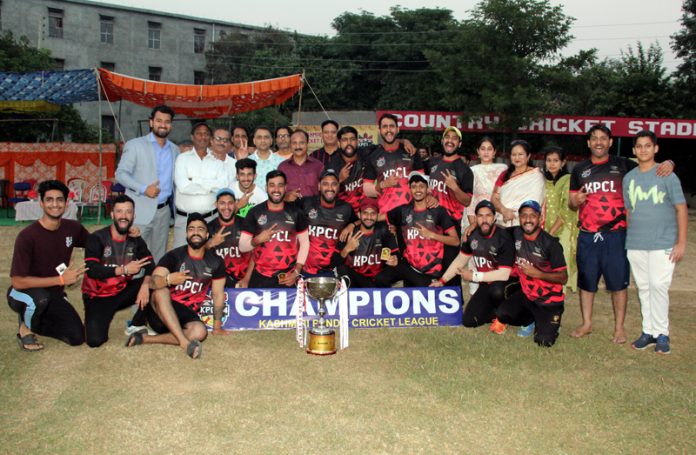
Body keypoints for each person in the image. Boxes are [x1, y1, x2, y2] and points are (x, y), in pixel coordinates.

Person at [569, 125, 674, 343]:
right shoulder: (579, 170)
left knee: (618, 283)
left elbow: (650, 166)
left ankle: (619, 328)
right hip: (588, 234)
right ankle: (587, 323)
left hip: (616, 235)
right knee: (587, 283)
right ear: (588, 143)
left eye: (603, 138)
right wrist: (574, 201)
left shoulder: (624, 164)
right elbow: (572, 202)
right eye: (594, 138)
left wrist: (669, 163)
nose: (599, 142)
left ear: (610, 142)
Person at [126, 213, 228, 359]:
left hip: (186, 316)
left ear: (207, 235)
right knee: (161, 292)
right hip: (160, 314)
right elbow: (153, 281)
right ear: (186, 233)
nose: (196, 232)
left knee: (200, 332)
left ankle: (146, 339)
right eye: (191, 229)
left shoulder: (216, 261)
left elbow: (218, 294)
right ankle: (184, 344)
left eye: (200, 229)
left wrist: (217, 326)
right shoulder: (174, 256)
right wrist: (168, 279)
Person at [624, 130, 687, 354]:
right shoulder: (629, 178)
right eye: (639, 146)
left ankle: (662, 334)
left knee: (659, 286)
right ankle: (648, 332)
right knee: (644, 287)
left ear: (656, 148)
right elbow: (629, 211)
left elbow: (681, 209)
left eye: (647, 145)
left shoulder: (666, 174)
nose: (643, 149)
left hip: (663, 242)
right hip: (636, 243)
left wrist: (681, 242)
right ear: (633, 151)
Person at [8, 180, 89, 350]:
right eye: (49, 200)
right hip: (23, 292)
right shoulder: (27, 236)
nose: (55, 204)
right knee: (40, 299)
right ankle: (25, 328)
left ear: (66, 203)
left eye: (60, 200)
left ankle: (38, 319)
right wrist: (60, 280)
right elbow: (17, 281)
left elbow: (97, 243)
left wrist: (125, 232)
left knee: (77, 337)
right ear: (41, 203)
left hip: (54, 293)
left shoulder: (72, 228)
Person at [431, 200, 517, 332]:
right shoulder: (472, 235)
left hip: (507, 283)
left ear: (494, 218)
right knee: (469, 321)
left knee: (497, 291)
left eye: (488, 216)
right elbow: (460, 260)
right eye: (480, 216)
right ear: (476, 218)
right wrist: (442, 281)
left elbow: (504, 274)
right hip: (486, 283)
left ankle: (503, 316)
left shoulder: (503, 238)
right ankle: (495, 312)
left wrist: (475, 276)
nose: (484, 220)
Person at [81, 195, 154, 347]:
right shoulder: (97, 238)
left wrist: (145, 286)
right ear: (112, 214)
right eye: (119, 211)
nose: (124, 216)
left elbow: (150, 264)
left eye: (128, 212)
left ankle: (137, 323)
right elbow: (92, 270)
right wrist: (124, 269)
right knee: (95, 341)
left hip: (121, 292)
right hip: (97, 297)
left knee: (156, 282)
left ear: (134, 215)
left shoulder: (135, 239)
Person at [495, 201, 568, 347]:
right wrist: (473, 227)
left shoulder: (550, 244)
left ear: (540, 218)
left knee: (543, 341)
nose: (528, 220)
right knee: (503, 313)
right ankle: (530, 320)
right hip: (528, 295)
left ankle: (551, 322)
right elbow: (495, 230)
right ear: (519, 218)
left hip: (549, 300)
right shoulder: (516, 233)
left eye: (532, 216)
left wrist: (537, 273)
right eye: (524, 216)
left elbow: (563, 277)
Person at [115, 104, 179, 262]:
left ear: (171, 125)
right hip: (139, 210)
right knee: (133, 257)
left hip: (163, 213)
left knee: (158, 258)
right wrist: (143, 189)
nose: (163, 124)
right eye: (159, 120)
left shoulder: (175, 150)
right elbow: (120, 174)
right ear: (151, 122)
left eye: (167, 121)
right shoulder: (135, 145)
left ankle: (152, 287)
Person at [239, 170, 310, 288]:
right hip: (260, 276)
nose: (276, 190)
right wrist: (257, 240)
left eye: (280, 185)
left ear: (286, 187)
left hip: (288, 277)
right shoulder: (255, 212)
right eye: (272, 185)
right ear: (266, 188)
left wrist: (296, 272)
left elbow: (305, 243)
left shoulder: (296, 212)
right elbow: (242, 247)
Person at [387, 172, 459, 287]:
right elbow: (383, 218)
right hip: (410, 270)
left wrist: (432, 235)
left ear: (428, 189)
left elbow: (455, 241)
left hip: (432, 271)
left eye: (421, 186)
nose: (418, 190)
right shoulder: (402, 211)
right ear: (409, 189)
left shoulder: (438, 211)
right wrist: (394, 228)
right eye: (414, 187)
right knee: (381, 278)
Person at [172, 122, 227, 248]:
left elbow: (222, 186)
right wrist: (210, 186)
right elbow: (183, 186)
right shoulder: (182, 159)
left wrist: (195, 180)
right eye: (199, 134)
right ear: (192, 137)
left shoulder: (217, 162)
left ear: (210, 138)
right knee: (181, 258)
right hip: (185, 220)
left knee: (210, 257)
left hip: (211, 219)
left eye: (206, 134)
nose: (203, 137)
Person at [364, 113, 425, 215]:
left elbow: (422, 182)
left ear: (398, 129)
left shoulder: (411, 151)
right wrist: (384, 184)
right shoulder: (373, 156)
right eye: (385, 127)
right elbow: (366, 189)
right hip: (386, 214)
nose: (388, 130)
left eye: (391, 126)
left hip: (411, 214)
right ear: (379, 131)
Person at [300, 169, 355, 278]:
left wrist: (351, 225)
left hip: (331, 269)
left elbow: (359, 220)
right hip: (304, 268)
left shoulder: (346, 208)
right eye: (325, 184)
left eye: (334, 184)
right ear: (319, 186)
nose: (330, 188)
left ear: (338, 187)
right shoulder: (306, 203)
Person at [542, 146, 578, 293]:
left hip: (564, 230)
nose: (552, 164)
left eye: (555, 160)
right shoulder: (544, 181)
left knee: (560, 266)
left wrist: (552, 232)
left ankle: (558, 299)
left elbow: (566, 209)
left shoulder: (567, 180)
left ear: (563, 163)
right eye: (549, 160)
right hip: (545, 228)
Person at [427, 126, 474, 229]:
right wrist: (427, 195)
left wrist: (455, 188)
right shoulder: (432, 162)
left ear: (459, 144)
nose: (450, 140)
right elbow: (422, 184)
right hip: (430, 221)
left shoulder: (465, 170)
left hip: (451, 224)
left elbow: (467, 202)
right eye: (447, 137)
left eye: (454, 138)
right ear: (442, 140)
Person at [491, 139, 545, 227]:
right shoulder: (505, 175)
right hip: (503, 222)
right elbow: (494, 198)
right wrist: (504, 210)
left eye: (520, 154)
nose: (517, 158)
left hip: (527, 223)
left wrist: (517, 214)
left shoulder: (536, 176)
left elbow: (536, 201)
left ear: (528, 156)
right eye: (514, 155)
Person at [207, 188, 254, 288]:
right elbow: (197, 253)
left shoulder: (246, 224)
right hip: (218, 282)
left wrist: (247, 279)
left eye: (230, 203)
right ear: (216, 204)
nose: (226, 207)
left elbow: (256, 253)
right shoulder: (209, 227)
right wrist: (211, 243)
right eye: (222, 203)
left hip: (243, 280)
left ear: (235, 204)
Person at [463, 137, 507, 236]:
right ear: (478, 151)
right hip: (477, 218)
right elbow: (470, 199)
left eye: (489, 149)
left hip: (499, 219)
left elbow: (506, 195)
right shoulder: (471, 171)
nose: (486, 152)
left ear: (494, 152)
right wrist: (473, 224)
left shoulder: (503, 169)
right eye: (483, 149)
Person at [325, 126, 367, 215]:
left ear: (357, 142)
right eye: (344, 140)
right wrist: (339, 180)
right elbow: (325, 193)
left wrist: (403, 141)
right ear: (339, 143)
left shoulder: (365, 153)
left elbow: (385, 147)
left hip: (364, 211)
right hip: (341, 212)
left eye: (352, 139)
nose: (349, 143)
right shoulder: (333, 164)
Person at [278, 129, 324, 200]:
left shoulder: (318, 166)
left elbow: (324, 190)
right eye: (294, 143)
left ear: (307, 144)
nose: (298, 146)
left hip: (313, 209)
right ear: (290, 145)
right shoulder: (282, 167)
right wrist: (286, 197)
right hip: (289, 209)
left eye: (301, 143)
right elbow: (278, 192)